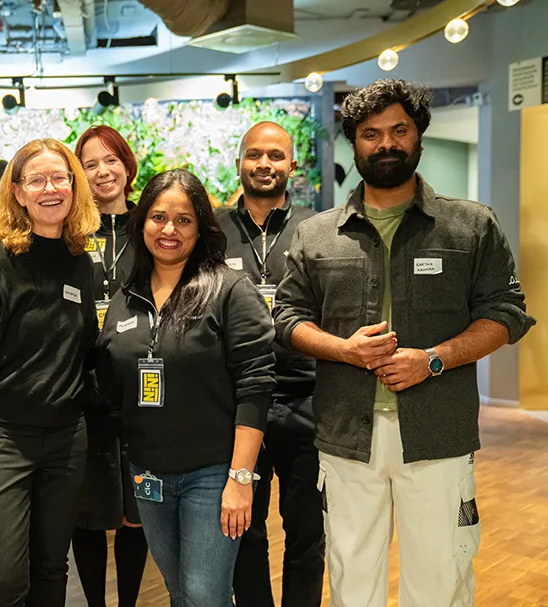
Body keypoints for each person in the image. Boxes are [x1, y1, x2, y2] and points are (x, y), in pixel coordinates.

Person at [274, 79, 536, 607]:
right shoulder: (317, 235)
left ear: (418, 136)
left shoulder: (470, 226)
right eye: (371, 133)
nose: (386, 143)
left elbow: (506, 314)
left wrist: (434, 359)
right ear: (355, 142)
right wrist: (344, 349)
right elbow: (287, 317)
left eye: (399, 130)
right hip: (347, 433)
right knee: (353, 581)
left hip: (437, 433)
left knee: (440, 581)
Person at [97, 168, 276, 606]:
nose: (169, 230)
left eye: (183, 219)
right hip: (149, 474)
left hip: (213, 473)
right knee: (182, 591)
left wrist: (240, 478)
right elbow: (110, 384)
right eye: (158, 217)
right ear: (142, 224)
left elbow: (256, 387)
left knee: (203, 595)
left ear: (201, 227)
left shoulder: (229, 291)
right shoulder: (126, 296)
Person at [0, 138, 100, 607]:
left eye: (60, 178)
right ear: (17, 192)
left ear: (74, 187)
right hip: (2, 440)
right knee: (5, 578)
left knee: (52, 569)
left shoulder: (82, 262)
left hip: (66, 440)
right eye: (37, 180)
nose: (50, 188)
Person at [219, 123, 324, 607]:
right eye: (254, 155)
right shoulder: (213, 230)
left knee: (307, 530)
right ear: (238, 161)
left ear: (292, 166)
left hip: (308, 400)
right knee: (245, 529)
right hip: (239, 404)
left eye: (276, 156)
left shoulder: (318, 228)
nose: (265, 164)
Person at [72, 125, 148, 607]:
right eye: (90, 163)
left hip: (143, 388)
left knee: (138, 510)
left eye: (110, 160)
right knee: (88, 511)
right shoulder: (69, 232)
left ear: (127, 166)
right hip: (81, 390)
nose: (102, 172)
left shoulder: (151, 226)